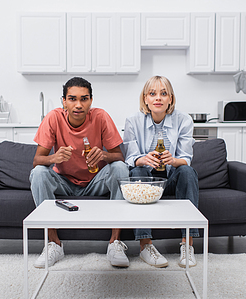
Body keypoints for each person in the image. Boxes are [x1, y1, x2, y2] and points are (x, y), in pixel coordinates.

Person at [29, 77, 130, 268]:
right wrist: (54, 158)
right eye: (72, 99)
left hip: (95, 183)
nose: (78, 105)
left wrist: (104, 155)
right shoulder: (53, 118)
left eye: (84, 99)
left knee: (120, 168)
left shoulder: (101, 117)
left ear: (91, 101)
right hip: (64, 183)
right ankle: (53, 243)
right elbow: (37, 161)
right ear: (64, 101)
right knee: (39, 173)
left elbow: (119, 157)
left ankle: (114, 243)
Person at [123, 75, 200, 268]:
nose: (158, 98)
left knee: (187, 171)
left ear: (170, 99)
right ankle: (145, 245)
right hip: (146, 178)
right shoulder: (132, 121)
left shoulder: (184, 120)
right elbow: (130, 158)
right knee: (138, 172)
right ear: (145, 99)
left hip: (171, 177)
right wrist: (143, 159)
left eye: (163, 93)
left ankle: (187, 244)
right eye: (153, 93)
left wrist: (173, 160)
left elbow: (186, 158)